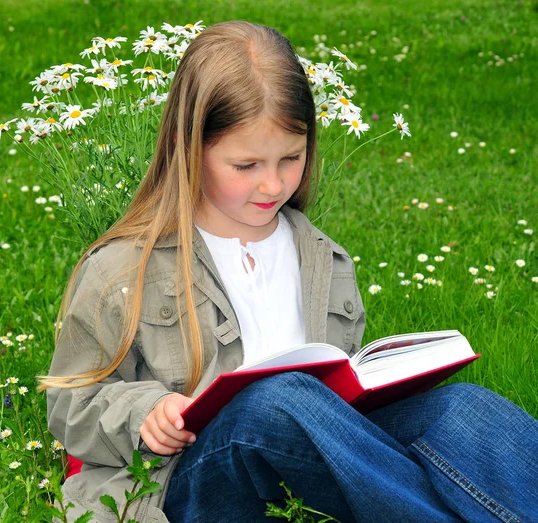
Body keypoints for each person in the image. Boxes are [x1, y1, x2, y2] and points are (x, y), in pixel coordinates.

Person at [40, 20, 538, 523]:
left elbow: (339, 396)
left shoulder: (323, 257)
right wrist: (144, 412)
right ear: (188, 148)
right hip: (189, 476)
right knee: (276, 401)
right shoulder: (125, 268)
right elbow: (69, 406)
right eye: (246, 165)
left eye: (291, 158)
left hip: (304, 456)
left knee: (466, 410)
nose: (273, 184)